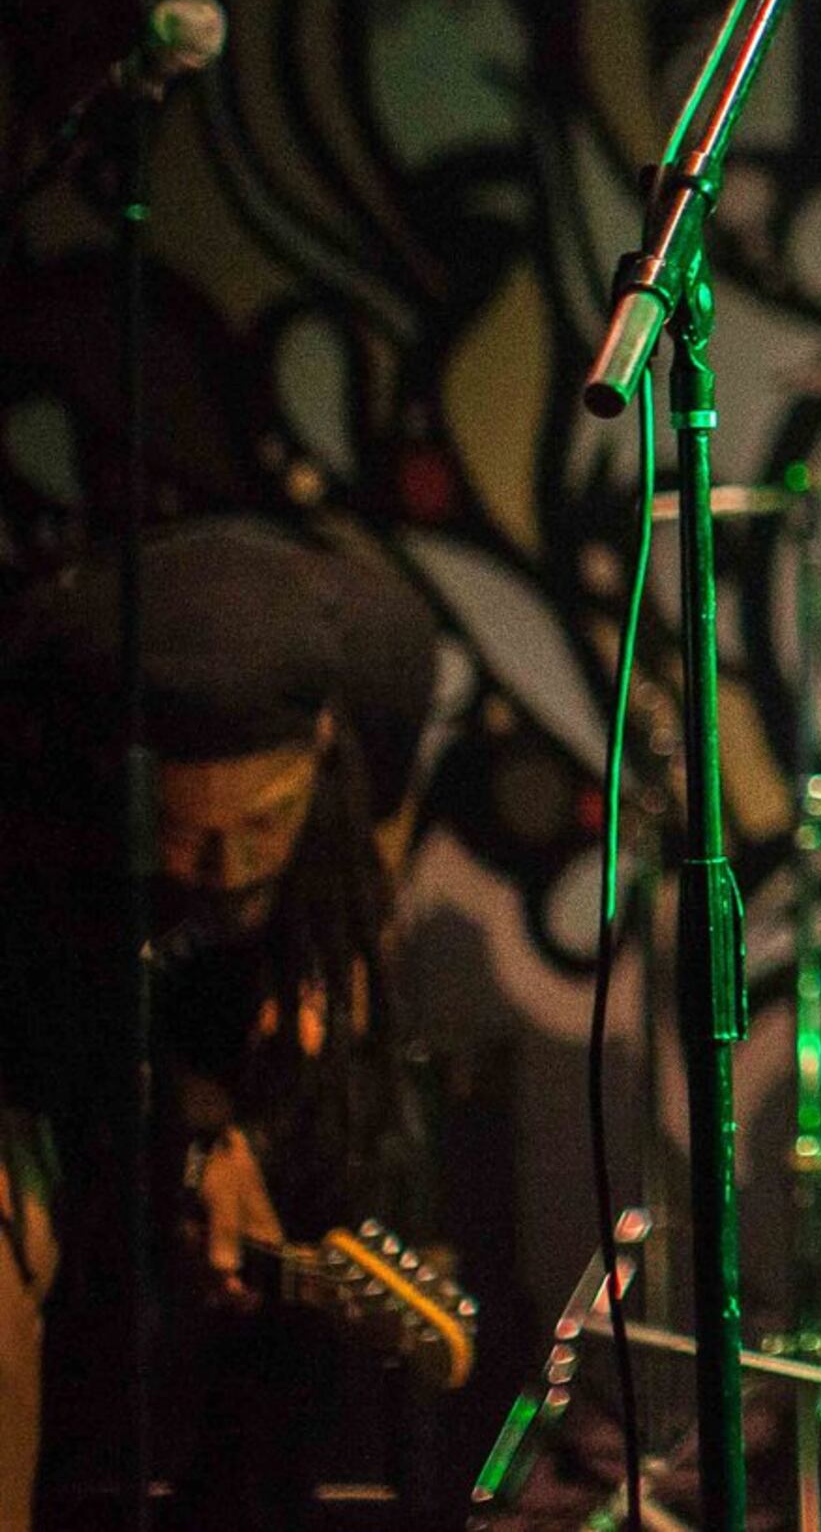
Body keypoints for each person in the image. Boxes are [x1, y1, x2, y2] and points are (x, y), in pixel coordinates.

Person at [0, 515, 442, 1532]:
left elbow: (368, 912)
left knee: (337, 1157)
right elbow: (56, 1001)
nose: (229, 869)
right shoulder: (46, 708)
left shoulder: (382, 668)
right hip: (63, 994)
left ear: (321, 745)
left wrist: (276, 1109)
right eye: (192, 831)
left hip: (251, 993)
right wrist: (191, 1134)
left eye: (264, 823)